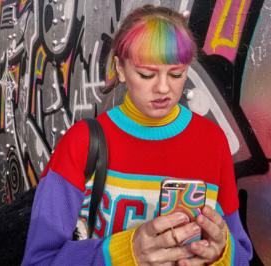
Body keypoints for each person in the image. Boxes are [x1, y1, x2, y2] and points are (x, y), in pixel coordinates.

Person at [22, 5, 252, 266]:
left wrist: (221, 253)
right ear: (120, 68)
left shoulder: (213, 141)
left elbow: (242, 255)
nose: (164, 88)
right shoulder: (81, 143)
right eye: (146, 74)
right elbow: (38, 260)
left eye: (177, 73)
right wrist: (125, 253)